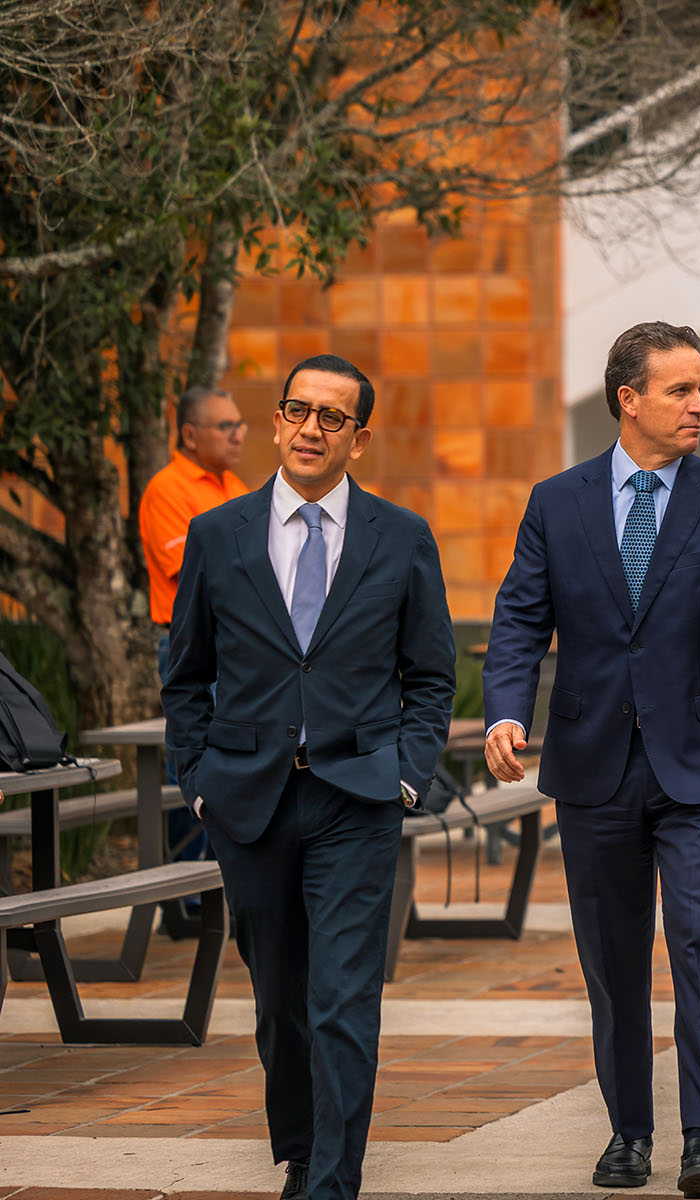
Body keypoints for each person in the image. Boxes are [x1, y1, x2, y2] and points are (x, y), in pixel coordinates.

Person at [481, 322, 700, 1200]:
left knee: (698, 940)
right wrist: (505, 713)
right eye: (680, 390)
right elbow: (518, 621)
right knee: (612, 959)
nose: (699, 406)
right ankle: (627, 1132)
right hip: (593, 763)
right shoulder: (557, 500)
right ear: (629, 399)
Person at [164, 355, 456, 1200]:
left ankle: (331, 1180)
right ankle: (300, 1145)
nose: (311, 429)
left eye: (333, 418)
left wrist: (405, 776)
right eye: (298, 411)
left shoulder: (399, 537)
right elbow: (186, 674)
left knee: (341, 996)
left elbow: (430, 676)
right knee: (279, 1001)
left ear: (359, 439)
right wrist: (199, 780)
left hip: (356, 798)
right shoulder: (220, 535)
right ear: (279, 419)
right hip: (246, 799)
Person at [139, 385, 250, 926]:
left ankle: (223, 889)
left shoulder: (234, 486)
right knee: (193, 760)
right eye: (225, 425)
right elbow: (197, 577)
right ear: (189, 434)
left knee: (235, 761)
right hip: (194, 646)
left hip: (243, 649)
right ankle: (186, 904)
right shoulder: (168, 489)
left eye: (240, 424)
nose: (239, 434)